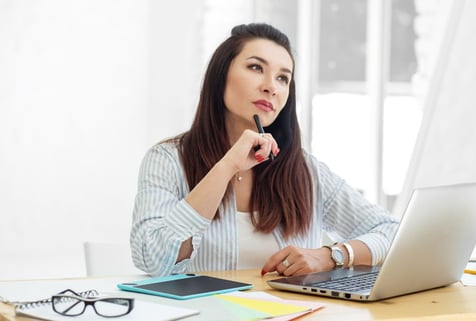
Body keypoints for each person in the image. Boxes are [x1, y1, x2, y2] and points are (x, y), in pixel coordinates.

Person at [130, 22, 399, 278]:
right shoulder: (167, 160)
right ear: (220, 75)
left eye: (283, 78)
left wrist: (332, 256)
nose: (271, 86)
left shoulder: (306, 170)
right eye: (256, 67)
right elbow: (153, 259)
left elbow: (391, 231)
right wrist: (226, 166)